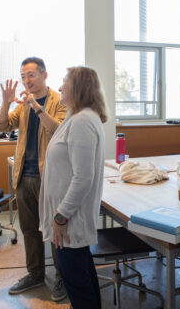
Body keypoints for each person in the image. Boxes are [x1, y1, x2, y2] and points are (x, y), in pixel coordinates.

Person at [0, 57, 68, 301]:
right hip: (24, 176)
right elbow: (3, 127)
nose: (26, 81)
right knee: (29, 229)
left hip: (51, 177)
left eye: (31, 75)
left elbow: (57, 129)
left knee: (56, 230)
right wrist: (5, 104)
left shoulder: (60, 100)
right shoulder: (23, 103)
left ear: (45, 75)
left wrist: (36, 106)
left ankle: (62, 278)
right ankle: (35, 274)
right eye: (23, 76)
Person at [40, 66, 107, 309]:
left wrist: (60, 216)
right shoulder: (76, 118)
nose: (59, 88)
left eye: (64, 83)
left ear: (79, 88)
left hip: (69, 222)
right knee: (82, 279)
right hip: (69, 221)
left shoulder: (82, 121)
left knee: (78, 286)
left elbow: (83, 178)